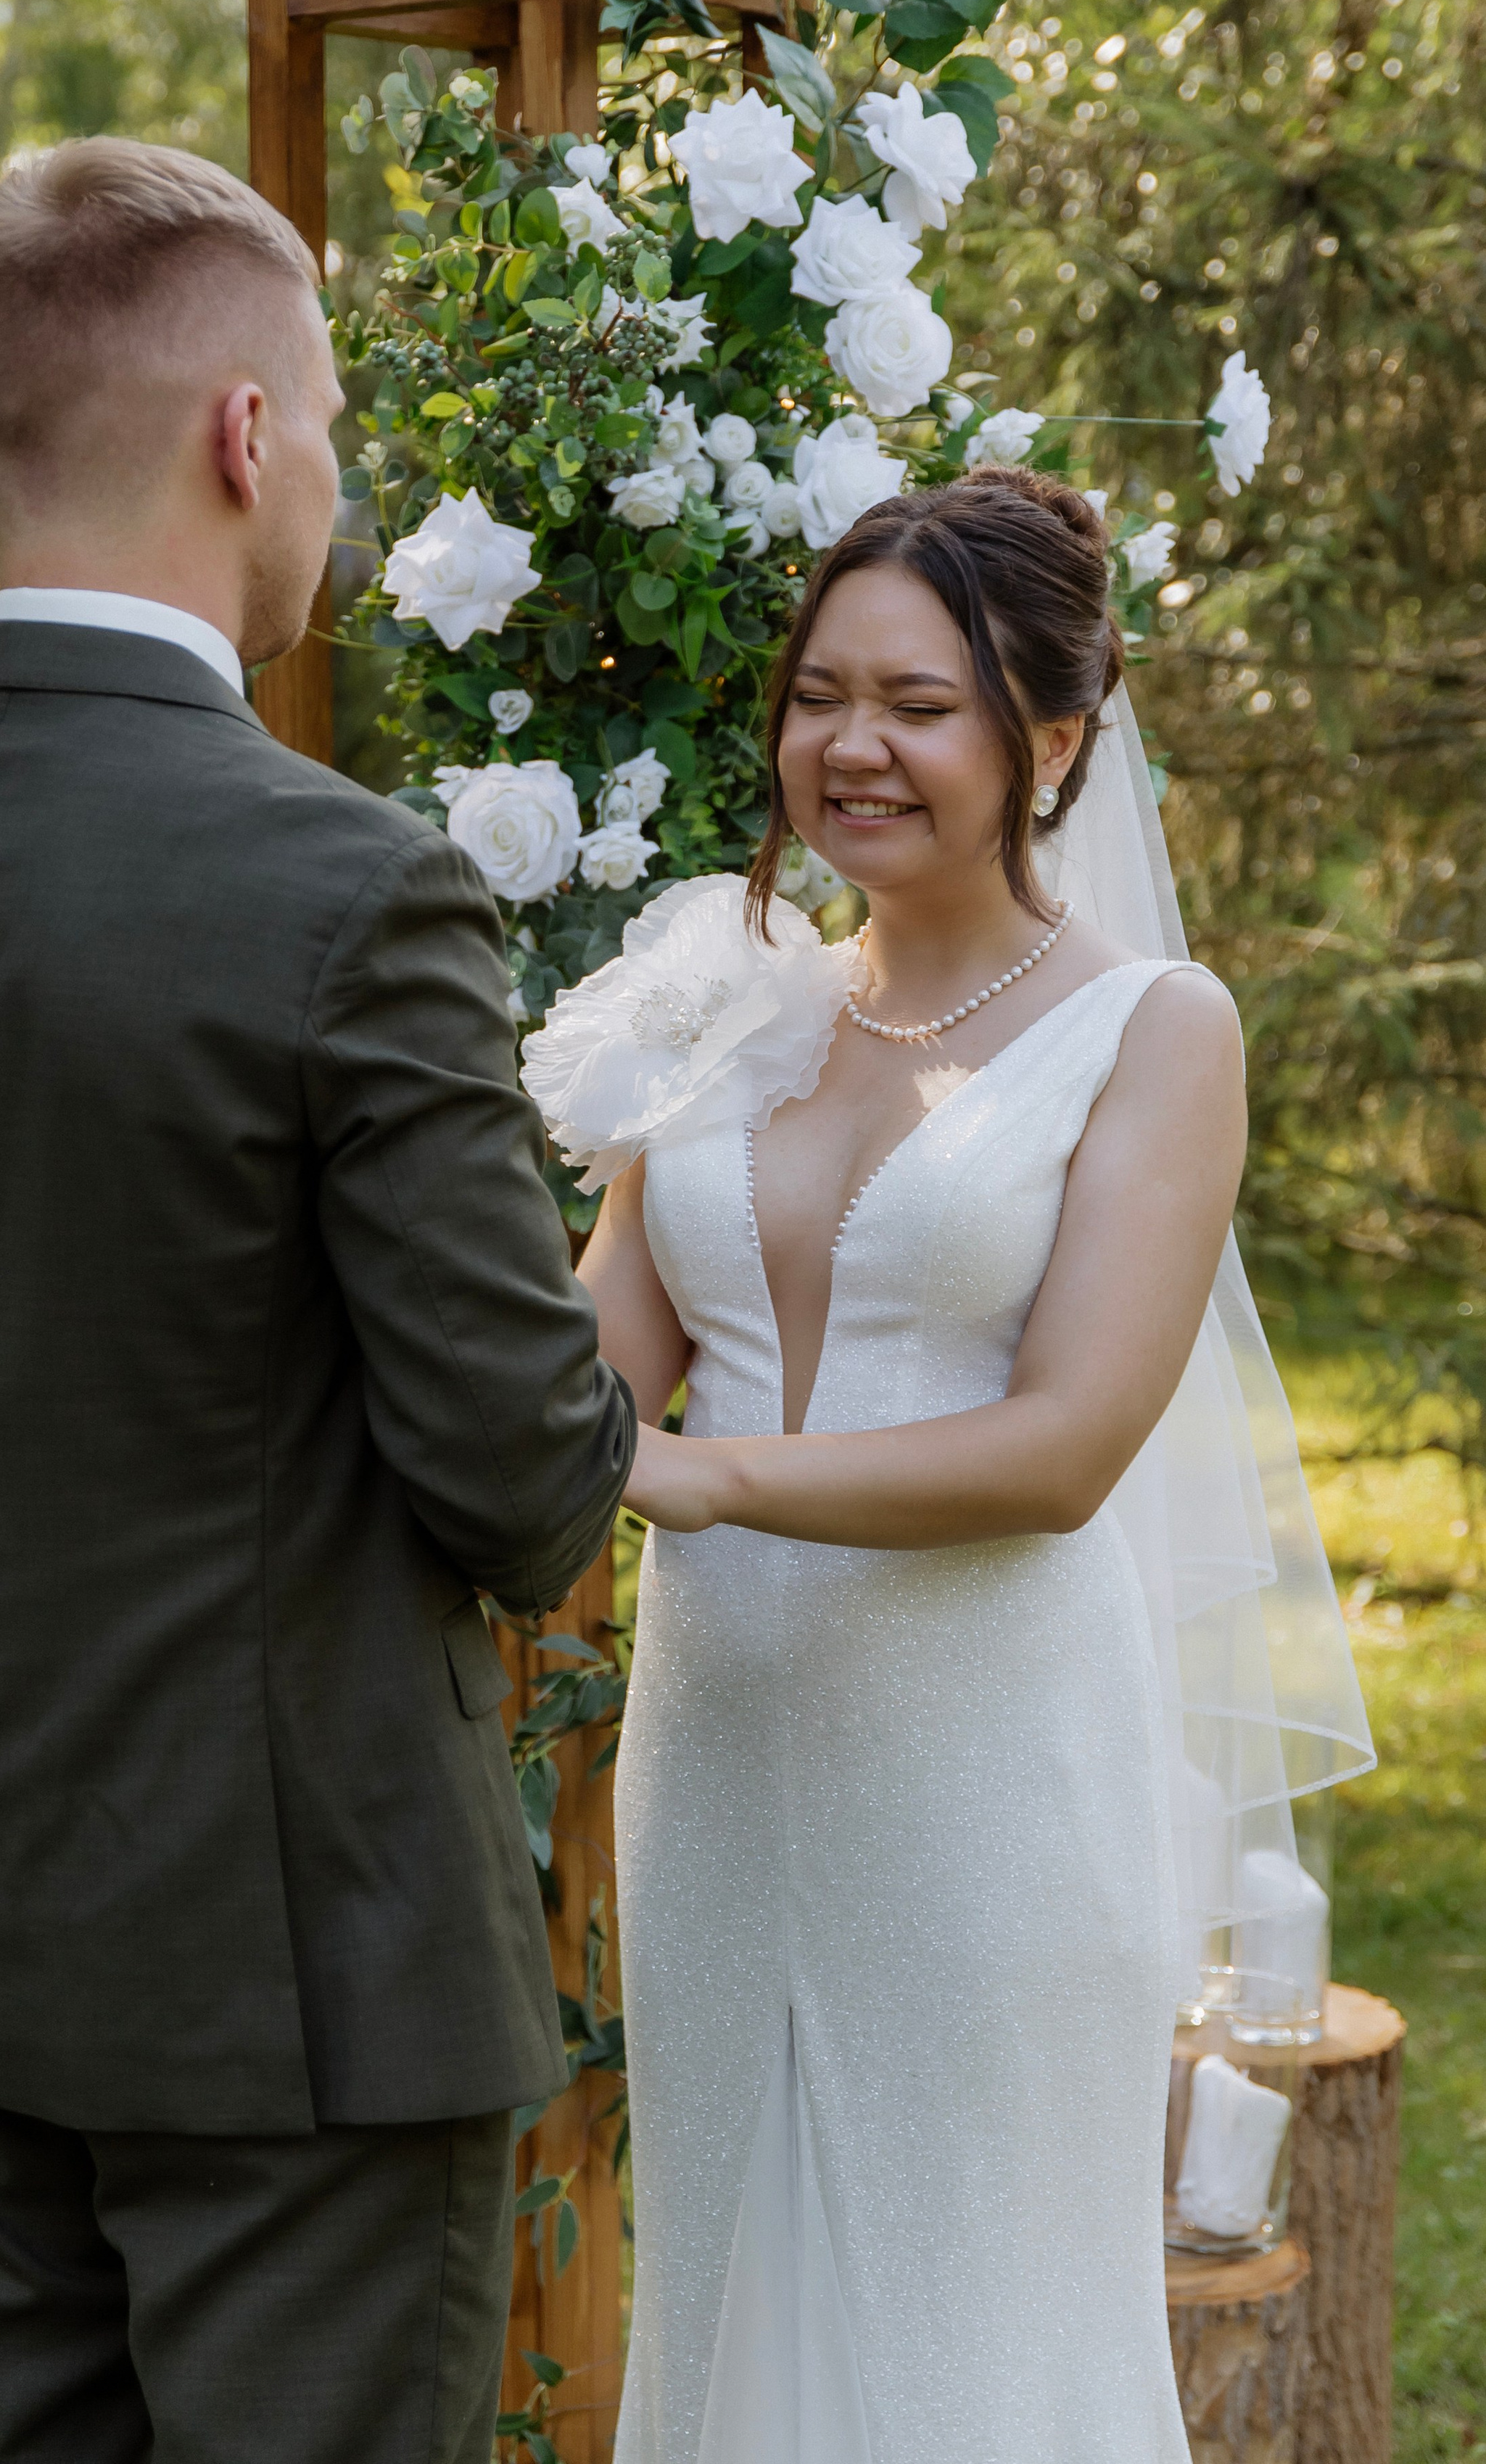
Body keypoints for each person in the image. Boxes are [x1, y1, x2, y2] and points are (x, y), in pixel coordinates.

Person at [0, 138, 635, 2464]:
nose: (327, 473)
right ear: (240, 434)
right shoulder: (351, 892)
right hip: (294, 1973)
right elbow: (526, 1484)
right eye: (323, 421)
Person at [522, 469, 1371, 2463]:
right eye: (821, 695)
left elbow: (1072, 1446)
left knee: (964, 2326)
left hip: (986, 1771)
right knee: (729, 2279)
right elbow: (588, 1363)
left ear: (1051, 744)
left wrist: (710, 1484)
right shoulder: (732, 998)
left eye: (918, 703)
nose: (851, 748)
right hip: (719, 1755)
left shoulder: (1156, 1029)